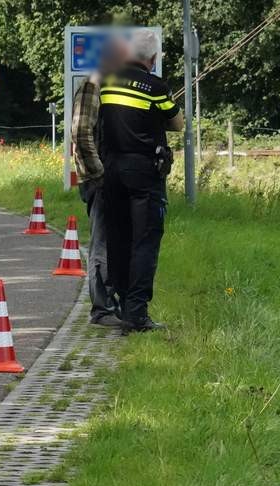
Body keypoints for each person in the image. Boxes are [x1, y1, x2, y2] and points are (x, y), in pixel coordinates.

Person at [98, 27, 184, 333]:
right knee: (145, 241)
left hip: (112, 171)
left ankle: (121, 304)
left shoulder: (108, 81)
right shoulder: (155, 86)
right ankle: (137, 313)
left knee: (119, 239)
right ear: (153, 57)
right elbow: (177, 122)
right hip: (144, 172)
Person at [69, 38, 127, 327]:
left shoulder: (108, 87)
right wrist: (99, 174)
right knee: (101, 245)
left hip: (109, 178)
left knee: (113, 242)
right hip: (98, 179)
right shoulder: (93, 85)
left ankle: (112, 303)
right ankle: (101, 309)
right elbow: (80, 134)